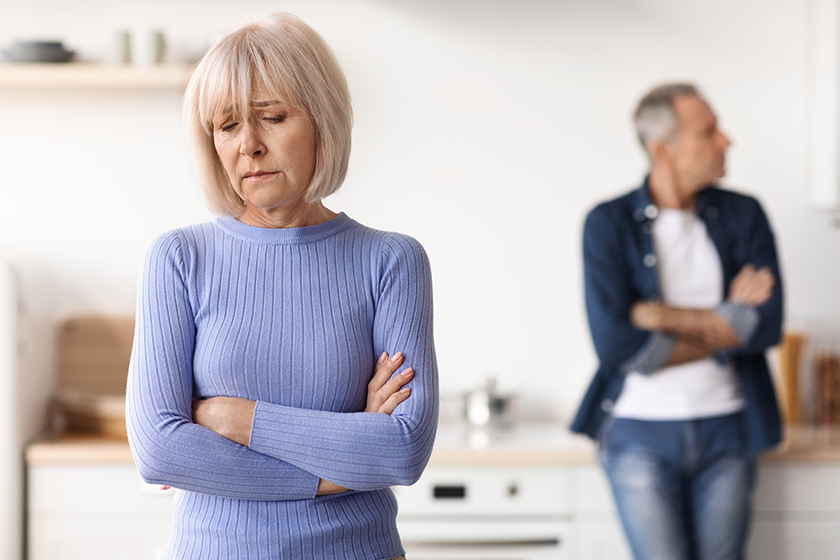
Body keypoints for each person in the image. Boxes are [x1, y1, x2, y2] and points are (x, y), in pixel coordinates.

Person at [125, 13, 438, 560]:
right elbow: (159, 451)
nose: (248, 144)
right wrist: (339, 465)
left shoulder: (391, 261)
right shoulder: (178, 259)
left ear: (323, 121)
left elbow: (402, 450)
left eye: (271, 117)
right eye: (227, 126)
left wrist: (232, 418)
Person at [570, 83, 783, 560]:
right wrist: (728, 321)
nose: (726, 140)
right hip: (638, 434)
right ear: (661, 149)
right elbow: (616, 345)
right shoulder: (607, 223)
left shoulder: (744, 214)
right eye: (708, 132)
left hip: (729, 428)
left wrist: (654, 315)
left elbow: (767, 325)